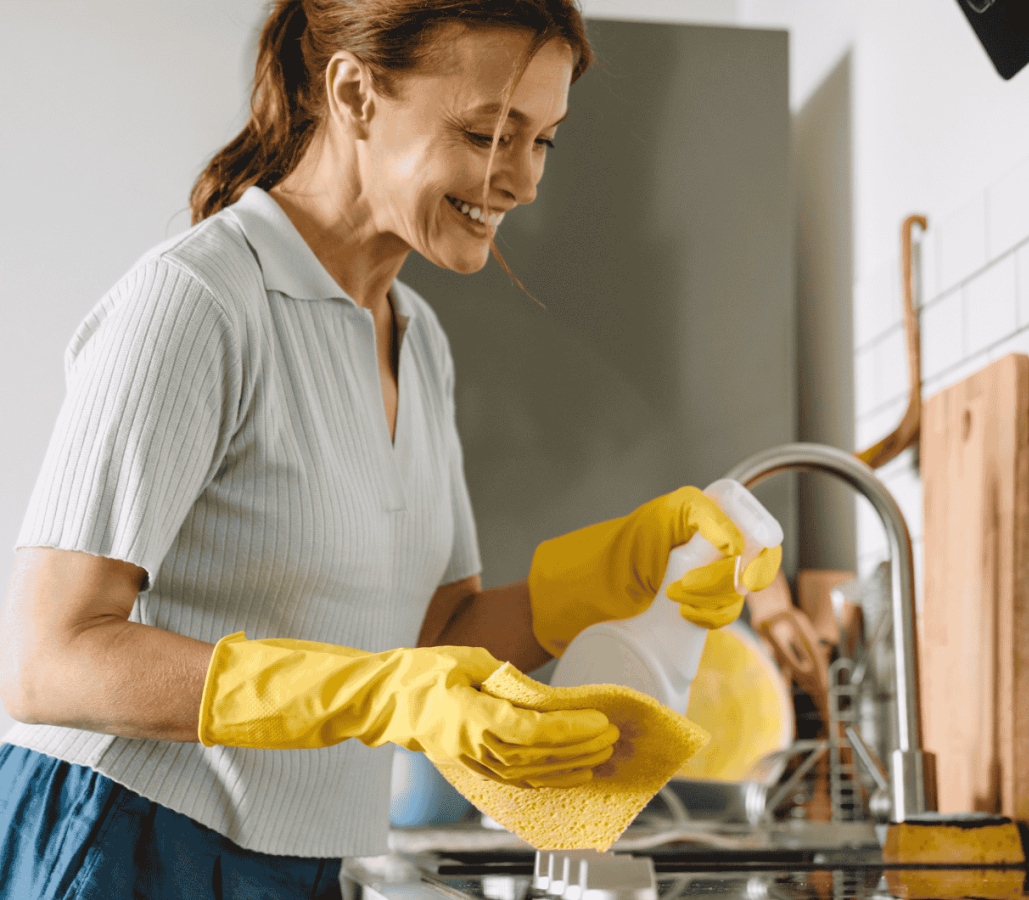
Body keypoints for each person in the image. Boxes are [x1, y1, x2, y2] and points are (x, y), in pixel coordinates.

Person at [0, 1, 782, 897]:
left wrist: (614, 571)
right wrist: (388, 696)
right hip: (126, 840)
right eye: (489, 131)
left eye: (544, 141)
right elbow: (47, 659)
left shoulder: (417, 339)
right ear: (355, 94)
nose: (522, 181)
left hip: (303, 865)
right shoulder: (200, 302)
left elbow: (433, 637)